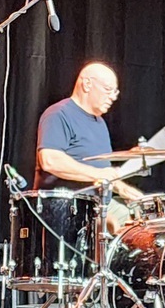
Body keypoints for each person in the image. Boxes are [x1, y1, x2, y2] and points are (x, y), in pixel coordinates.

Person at [35, 62, 142, 227]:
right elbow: (50, 161)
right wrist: (99, 174)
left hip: (99, 204)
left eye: (116, 92)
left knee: (143, 222)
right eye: (108, 90)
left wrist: (121, 188)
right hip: (70, 208)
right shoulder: (59, 114)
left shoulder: (99, 122)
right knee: (117, 225)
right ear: (87, 84)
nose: (113, 97)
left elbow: (98, 173)